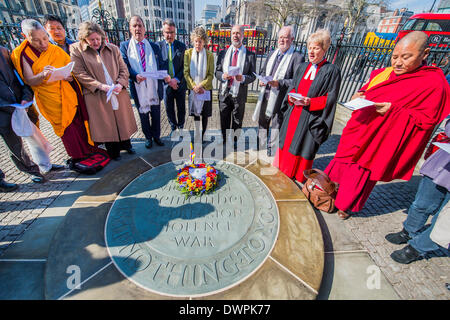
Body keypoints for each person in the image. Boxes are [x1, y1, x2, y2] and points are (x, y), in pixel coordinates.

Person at [324, 31, 450, 220]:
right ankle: (329, 194)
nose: (398, 63)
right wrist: (357, 95)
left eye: (406, 57)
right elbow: (366, 89)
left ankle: (346, 206)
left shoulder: (432, 83)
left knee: (362, 174)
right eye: (395, 57)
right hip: (360, 129)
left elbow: (427, 120)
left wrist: (394, 110)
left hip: (381, 139)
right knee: (342, 165)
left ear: (425, 54)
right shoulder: (384, 73)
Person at [10, 19, 99, 169]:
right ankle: (76, 157)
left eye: (45, 38)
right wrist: (43, 75)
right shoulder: (21, 54)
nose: (43, 44)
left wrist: (68, 76)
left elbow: (70, 71)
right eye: (36, 41)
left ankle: (87, 151)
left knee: (77, 124)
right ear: (25, 36)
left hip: (67, 93)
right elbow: (29, 80)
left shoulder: (55, 50)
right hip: (49, 98)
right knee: (66, 128)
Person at [274, 29, 341, 183]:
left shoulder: (331, 71)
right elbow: (293, 87)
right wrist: (291, 97)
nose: (311, 51)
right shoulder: (302, 67)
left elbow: (330, 99)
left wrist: (311, 102)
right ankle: (282, 170)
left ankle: (298, 176)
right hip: (293, 114)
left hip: (310, 117)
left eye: (316, 48)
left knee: (303, 146)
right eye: (310, 47)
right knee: (287, 142)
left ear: (324, 49)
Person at [70, 21, 138, 161]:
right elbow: (79, 73)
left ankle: (127, 145)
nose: (95, 42)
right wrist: (100, 86)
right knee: (107, 123)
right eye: (92, 40)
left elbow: (123, 68)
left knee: (122, 120)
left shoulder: (113, 48)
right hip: (98, 94)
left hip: (118, 91)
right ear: (84, 39)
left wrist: (120, 83)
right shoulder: (77, 50)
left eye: (98, 39)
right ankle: (113, 152)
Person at [386, 119, 449, 264]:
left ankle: (416, 248)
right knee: (422, 203)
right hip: (444, 165)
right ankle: (408, 231)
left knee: (445, 221)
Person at [252, 26, 304, 156]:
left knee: (276, 124)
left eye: (285, 37)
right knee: (262, 121)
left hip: (280, 97)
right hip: (266, 93)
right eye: (280, 37)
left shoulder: (297, 57)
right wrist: (262, 79)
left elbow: (296, 81)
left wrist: (279, 83)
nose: (282, 40)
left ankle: (271, 149)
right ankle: (261, 143)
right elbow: (263, 71)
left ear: (292, 39)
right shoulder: (272, 53)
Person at [120, 15, 169, 149]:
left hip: (154, 86)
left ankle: (157, 136)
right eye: (134, 26)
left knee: (156, 113)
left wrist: (164, 75)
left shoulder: (153, 46)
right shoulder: (125, 46)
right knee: (143, 114)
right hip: (138, 86)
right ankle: (148, 137)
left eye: (140, 25)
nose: (137, 28)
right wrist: (135, 76)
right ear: (130, 29)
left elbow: (162, 65)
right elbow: (124, 66)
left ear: (144, 28)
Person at [0, 45, 46, 185]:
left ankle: (45, 163)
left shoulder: (4, 51)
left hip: (21, 103)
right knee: (13, 142)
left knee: (34, 133)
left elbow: (20, 76)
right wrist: (7, 106)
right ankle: (30, 170)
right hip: (4, 109)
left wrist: (26, 96)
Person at [215, 25, 256, 144]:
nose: (235, 35)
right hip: (225, 91)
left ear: (243, 35)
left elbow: (253, 76)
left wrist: (242, 78)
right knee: (224, 118)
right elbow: (217, 72)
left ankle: (234, 141)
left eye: (238, 33)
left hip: (240, 93)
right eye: (233, 33)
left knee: (237, 119)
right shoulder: (223, 53)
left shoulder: (250, 55)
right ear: (230, 35)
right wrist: (223, 76)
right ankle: (224, 139)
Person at [183, 26, 214, 142]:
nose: (197, 44)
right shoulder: (188, 53)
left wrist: (201, 86)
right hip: (193, 88)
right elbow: (186, 72)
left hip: (205, 89)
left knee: (205, 114)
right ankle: (197, 133)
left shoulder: (210, 55)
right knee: (196, 113)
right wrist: (194, 87)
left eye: (200, 41)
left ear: (204, 42)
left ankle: (204, 134)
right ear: (193, 41)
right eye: (196, 41)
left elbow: (211, 74)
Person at [157, 19, 186, 133]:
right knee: (169, 108)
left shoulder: (182, 46)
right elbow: (157, 66)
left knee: (181, 107)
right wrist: (169, 80)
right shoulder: (158, 47)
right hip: (165, 84)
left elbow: (185, 66)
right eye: (167, 32)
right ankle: (173, 126)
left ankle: (181, 125)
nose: (169, 35)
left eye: (172, 32)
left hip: (179, 83)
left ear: (175, 32)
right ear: (163, 32)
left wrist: (176, 79)